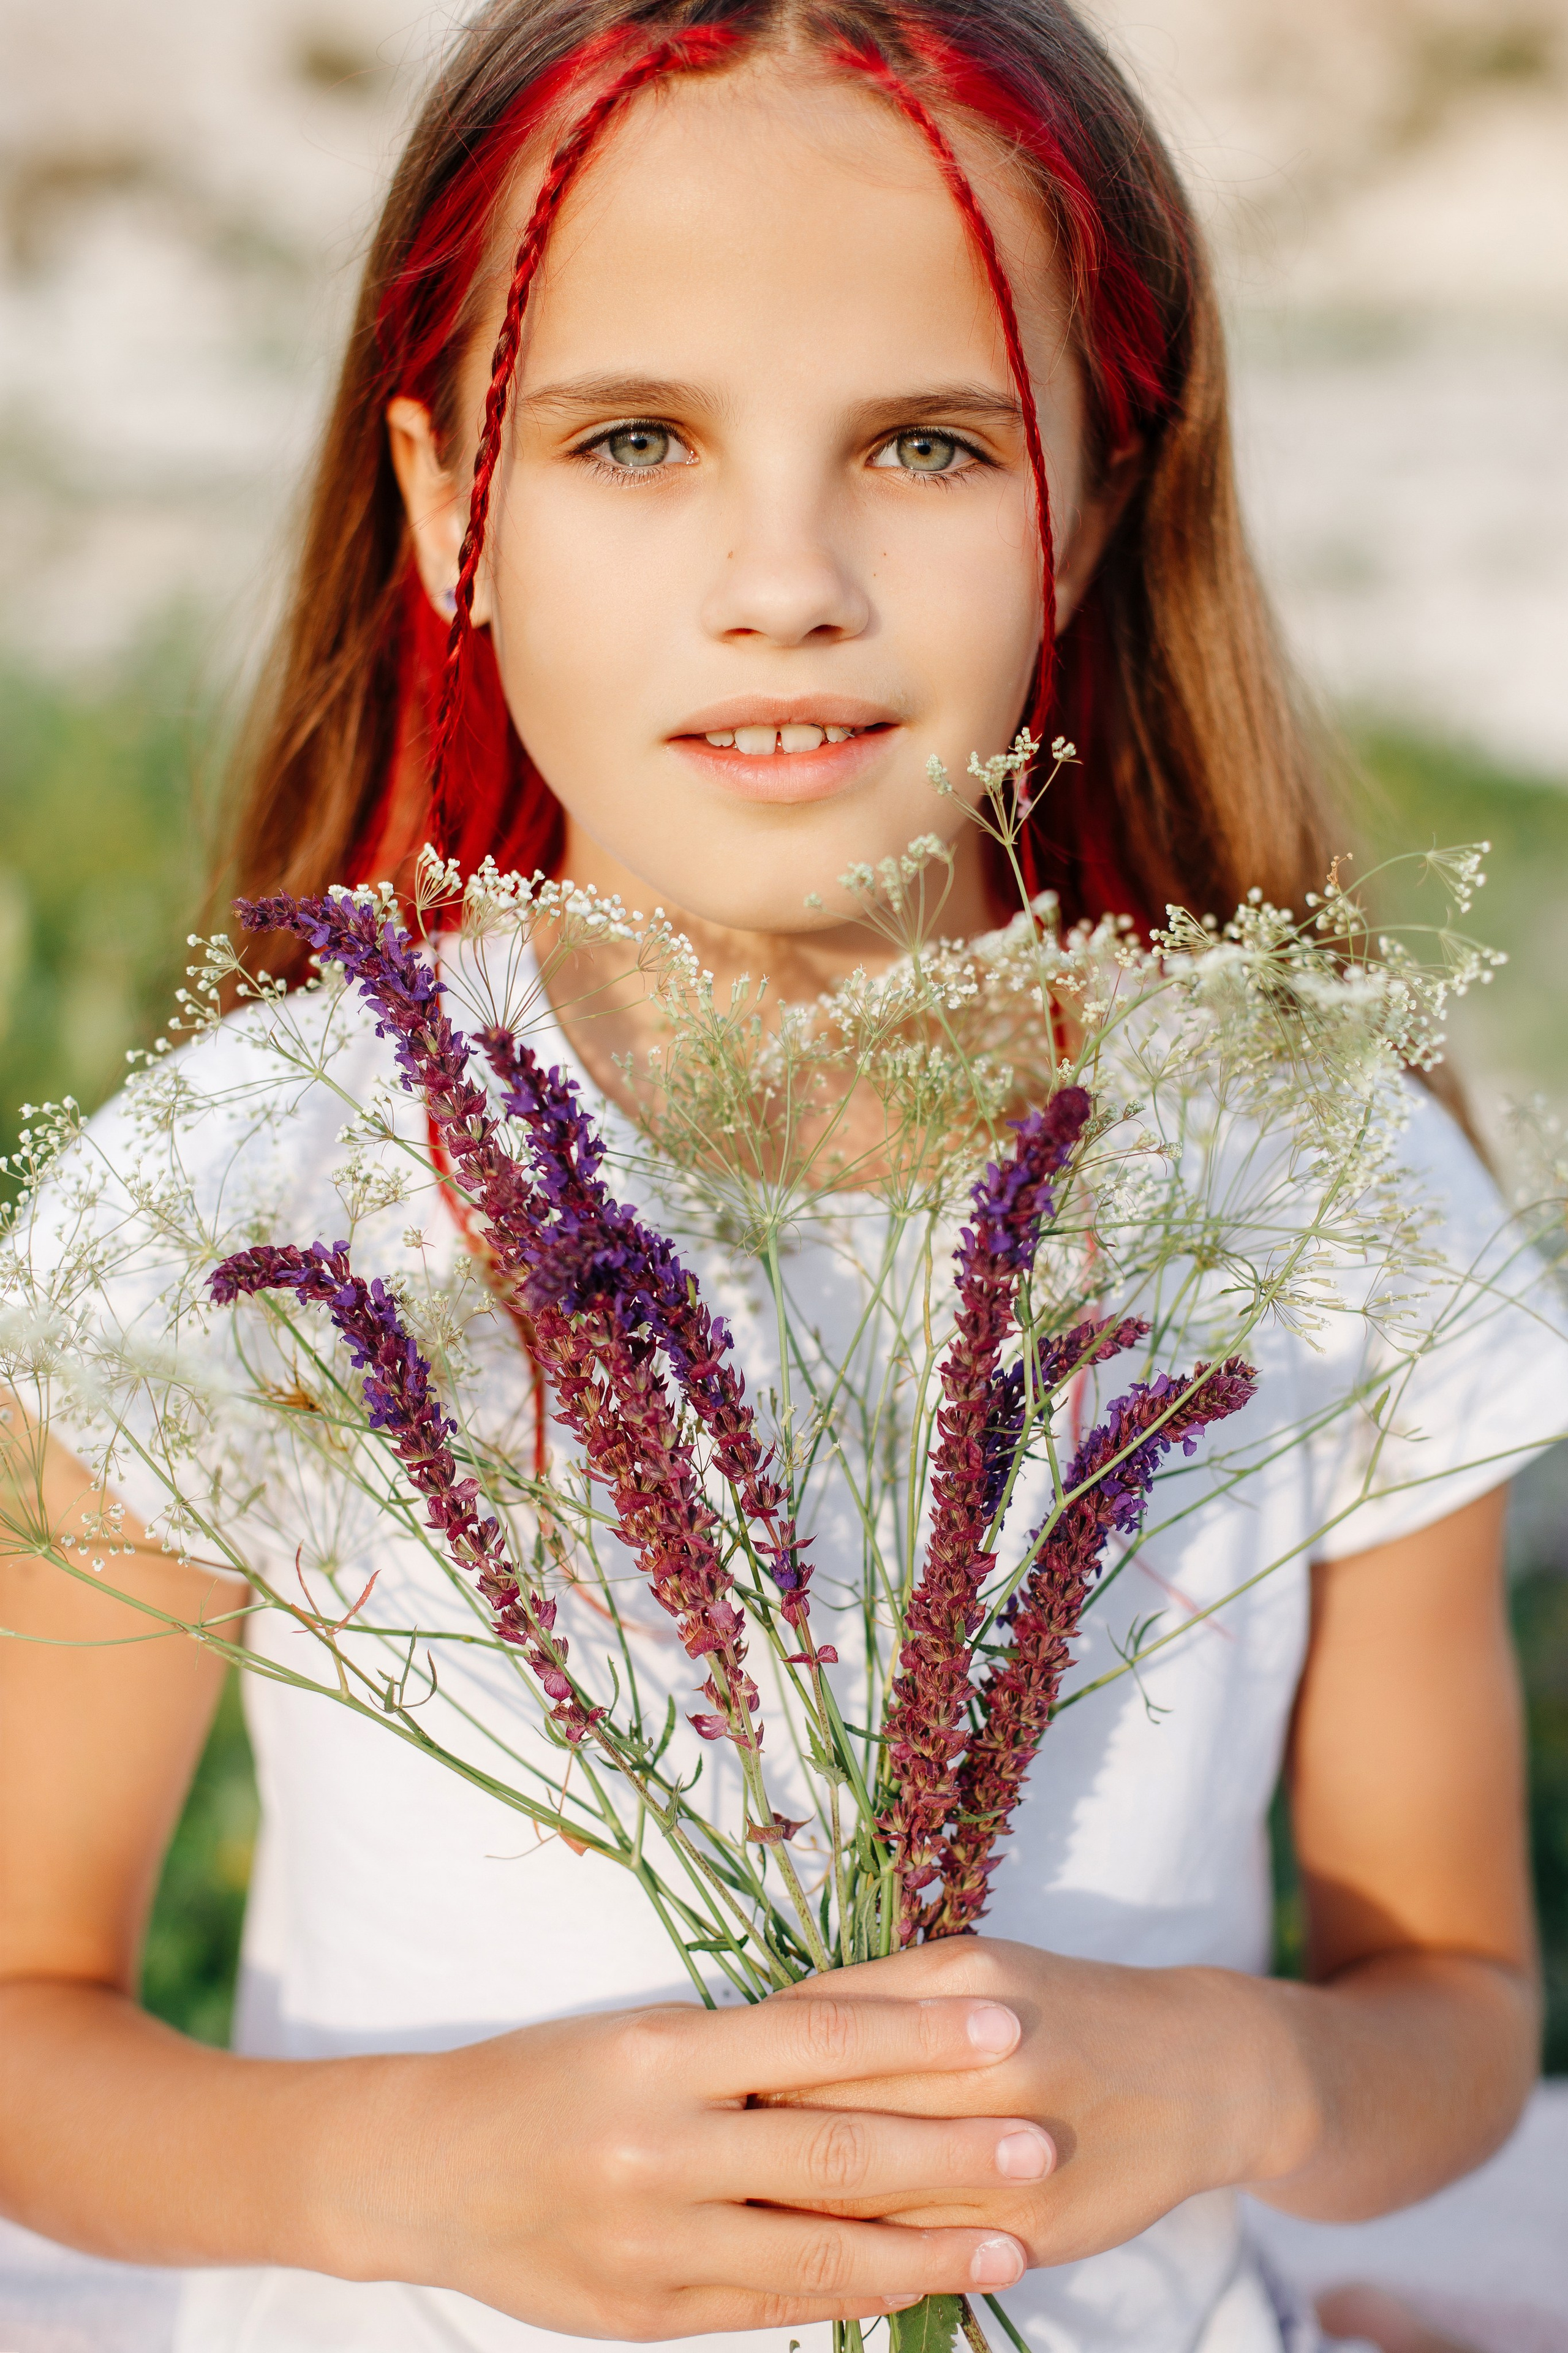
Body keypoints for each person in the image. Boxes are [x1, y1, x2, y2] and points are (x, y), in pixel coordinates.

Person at [1, 6, 1562, 2351]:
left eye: (930, 444)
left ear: (1105, 498)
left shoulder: (1317, 1172)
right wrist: (398, 2169)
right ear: (448, 505)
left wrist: (1247, 2075)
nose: (785, 579)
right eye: (636, 438)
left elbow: (1446, 2006)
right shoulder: (257, 1186)